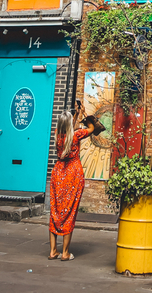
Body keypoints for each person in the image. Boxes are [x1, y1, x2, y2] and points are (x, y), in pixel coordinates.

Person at [49, 105, 97, 261]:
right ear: (70, 125)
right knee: (69, 211)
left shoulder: (57, 135)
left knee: (55, 211)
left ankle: (53, 251)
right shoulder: (76, 135)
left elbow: (68, 128)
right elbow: (91, 128)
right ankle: (65, 253)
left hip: (58, 172)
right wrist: (84, 114)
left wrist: (74, 115)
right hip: (73, 173)